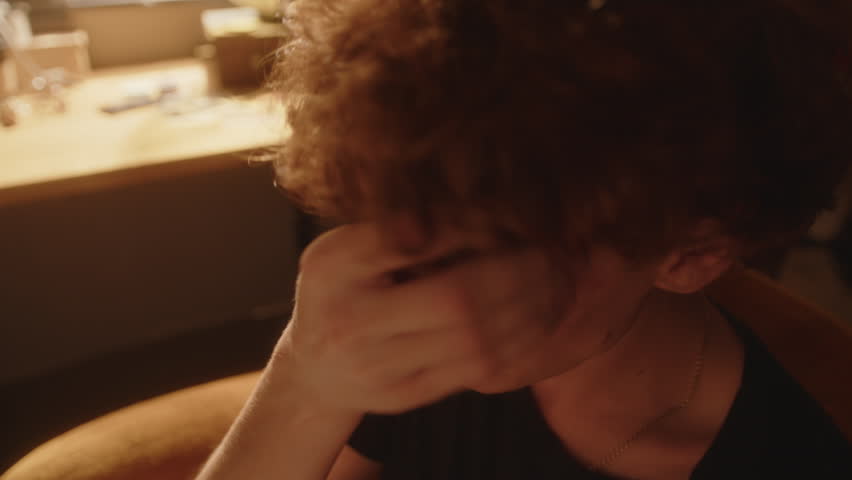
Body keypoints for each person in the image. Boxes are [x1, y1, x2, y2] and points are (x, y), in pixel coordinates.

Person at [197, 1, 852, 478]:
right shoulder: (422, 354)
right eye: (412, 199)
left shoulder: (785, 456)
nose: (424, 276)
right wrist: (304, 383)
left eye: (504, 238)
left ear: (691, 254)